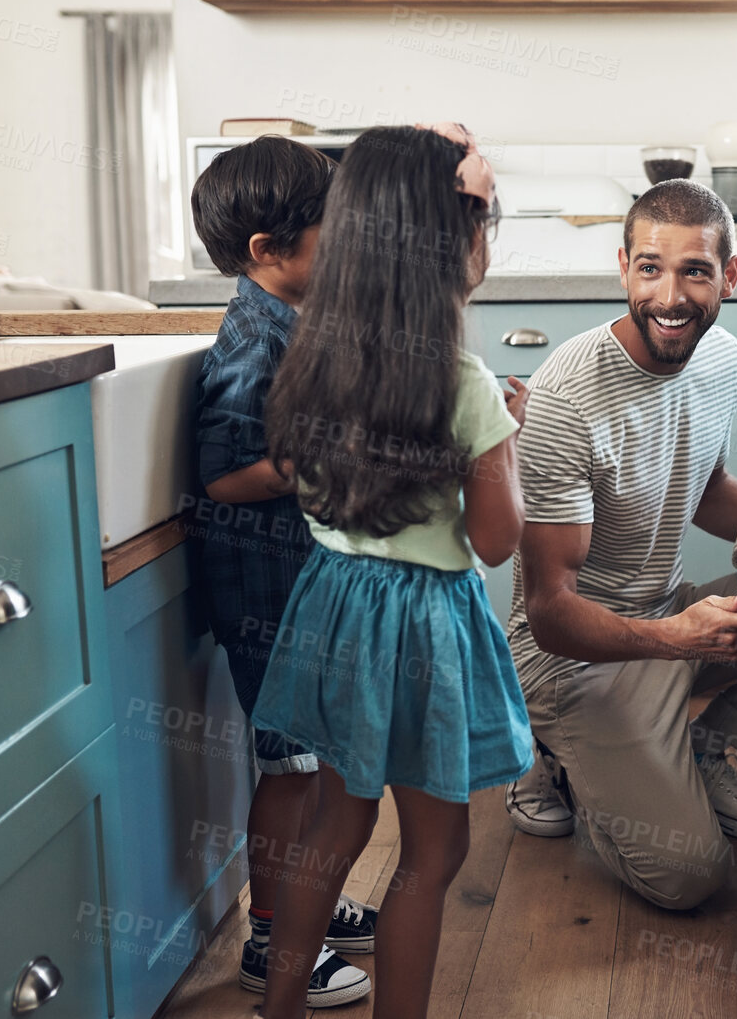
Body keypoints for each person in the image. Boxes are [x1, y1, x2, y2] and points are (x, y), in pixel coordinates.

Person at [250, 123, 533, 1019]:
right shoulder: (463, 382)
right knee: (434, 851)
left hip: (334, 609)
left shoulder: (314, 358)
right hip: (420, 628)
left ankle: (280, 1007)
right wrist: (503, 441)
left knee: (334, 826)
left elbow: (319, 479)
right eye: (486, 218)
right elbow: (495, 540)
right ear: (449, 243)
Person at [504, 178, 737, 910]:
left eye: (694, 270)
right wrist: (676, 638)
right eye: (650, 268)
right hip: (569, 659)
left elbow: (704, 487)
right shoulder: (566, 397)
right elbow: (550, 611)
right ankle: (552, 752)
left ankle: (703, 753)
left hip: (665, 619)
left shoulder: (721, 359)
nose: (670, 295)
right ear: (623, 268)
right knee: (686, 877)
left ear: (729, 276)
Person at [188, 135, 374, 1008]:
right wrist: (315, 461)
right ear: (268, 252)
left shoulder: (291, 324)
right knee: (292, 769)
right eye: (330, 233)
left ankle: (313, 900)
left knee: (316, 759)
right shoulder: (251, 344)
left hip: (302, 583)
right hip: (266, 593)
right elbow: (225, 472)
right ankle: (269, 936)